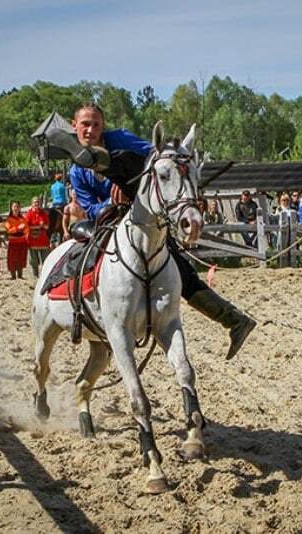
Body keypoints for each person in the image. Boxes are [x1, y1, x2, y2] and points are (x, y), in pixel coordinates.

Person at [49, 101, 255, 359]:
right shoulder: (77, 173)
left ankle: (234, 320)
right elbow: (89, 208)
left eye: (96, 124)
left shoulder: (120, 137)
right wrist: (111, 202)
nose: (91, 129)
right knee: (93, 256)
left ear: (103, 126)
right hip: (113, 220)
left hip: (143, 204)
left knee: (177, 266)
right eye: (85, 124)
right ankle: (82, 306)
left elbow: (157, 155)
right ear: (74, 125)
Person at [26, 196, 50, 277]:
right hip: (32, 240)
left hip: (43, 240)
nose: (36, 204)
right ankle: (35, 276)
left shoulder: (43, 213)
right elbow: (26, 226)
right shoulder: (29, 214)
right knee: (34, 261)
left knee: (46, 260)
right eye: (35, 202)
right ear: (32, 204)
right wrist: (39, 226)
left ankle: (44, 276)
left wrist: (42, 225)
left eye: (38, 202)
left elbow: (47, 227)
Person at [6, 201, 29, 279]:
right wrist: (18, 228)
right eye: (14, 206)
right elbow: (8, 230)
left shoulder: (22, 218)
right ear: (11, 208)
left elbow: (26, 229)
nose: (16, 208)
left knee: (21, 258)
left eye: (17, 207)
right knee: (12, 259)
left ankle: (20, 275)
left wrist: (26, 234)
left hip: (22, 241)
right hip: (13, 241)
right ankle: (13, 276)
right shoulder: (9, 219)